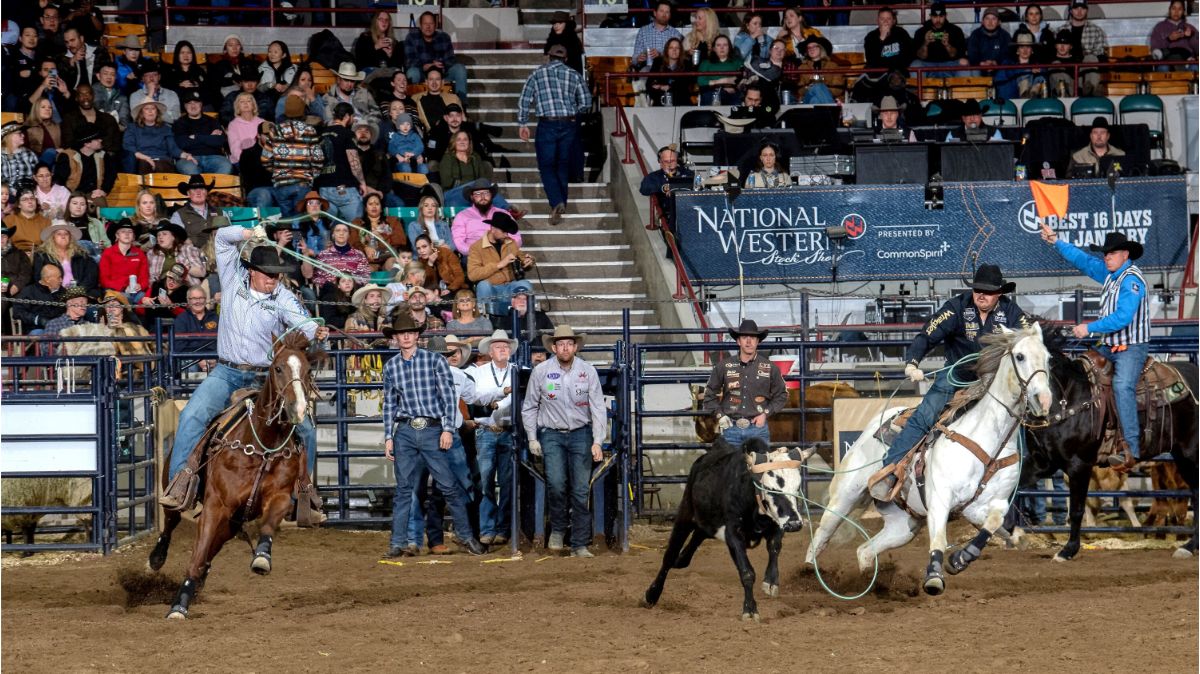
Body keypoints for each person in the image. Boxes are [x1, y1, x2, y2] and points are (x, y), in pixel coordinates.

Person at [160, 224, 330, 510]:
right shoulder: (232, 279)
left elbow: (304, 323)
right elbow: (222, 238)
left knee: (306, 429)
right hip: (227, 373)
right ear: (252, 271)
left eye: (277, 275)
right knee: (192, 415)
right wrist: (249, 233)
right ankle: (181, 482)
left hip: (266, 378)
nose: (274, 280)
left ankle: (302, 491)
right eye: (269, 274)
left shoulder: (283, 297)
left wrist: (317, 332)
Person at [868, 265, 1031, 500]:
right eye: (977, 290)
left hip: (994, 382)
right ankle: (890, 470)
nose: (981, 295)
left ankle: (1017, 491)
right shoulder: (957, 307)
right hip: (956, 376)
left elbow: (1030, 338)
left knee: (1018, 424)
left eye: (988, 291)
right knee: (926, 413)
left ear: (999, 293)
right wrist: (913, 361)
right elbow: (928, 334)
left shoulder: (1012, 312)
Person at [1039, 227, 1148, 468]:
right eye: (1105, 253)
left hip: (1132, 347)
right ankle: (1094, 435)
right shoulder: (1111, 274)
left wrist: (1089, 328)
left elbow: (1123, 317)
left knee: (1122, 385)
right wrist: (1057, 241)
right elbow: (1084, 261)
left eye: (1111, 253)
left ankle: (1131, 447)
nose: (1106, 257)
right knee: (1081, 373)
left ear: (1125, 254)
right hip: (1109, 345)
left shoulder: (1131, 280)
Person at [380, 311, 484, 557]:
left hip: (431, 428)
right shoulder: (391, 366)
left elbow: (449, 397)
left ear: (416, 336)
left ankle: (466, 536)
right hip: (405, 429)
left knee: (448, 485)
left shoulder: (434, 361)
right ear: (396, 337)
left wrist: (447, 428)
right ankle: (397, 543)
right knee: (404, 489)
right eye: (401, 333)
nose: (406, 337)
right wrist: (388, 436)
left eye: (410, 333)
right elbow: (389, 403)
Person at [407, 334, 499, 554]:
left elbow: (476, 396)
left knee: (455, 487)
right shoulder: (416, 375)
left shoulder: (457, 375)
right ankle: (415, 540)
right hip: (426, 433)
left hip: (448, 434)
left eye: (444, 355)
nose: (441, 359)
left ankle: (461, 536)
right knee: (421, 488)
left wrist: (499, 393)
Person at [522, 325, 607, 557]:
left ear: (576, 346)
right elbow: (529, 406)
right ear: (553, 347)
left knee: (580, 489)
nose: (565, 347)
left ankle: (579, 542)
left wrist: (597, 440)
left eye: (569, 343)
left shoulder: (588, 371)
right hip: (551, 433)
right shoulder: (540, 372)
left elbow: (598, 408)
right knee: (557, 484)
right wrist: (532, 437)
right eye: (561, 344)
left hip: (581, 433)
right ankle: (558, 529)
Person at [518, 44, 590, 226]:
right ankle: (561, 203)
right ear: (565, 59)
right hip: (569, 122)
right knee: (562, 164)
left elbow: (525, 99)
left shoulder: (537, 73)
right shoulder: (574, 74)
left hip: (547, 122)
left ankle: (557, 202)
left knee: (547, 165)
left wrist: (523, 123)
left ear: (548, 57)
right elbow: (586, 102)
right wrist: (574, 111)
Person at [465, 328, 519, 546]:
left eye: (505, 346)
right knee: (486, 482)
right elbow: (474, 397)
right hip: (486, 431)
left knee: (507, 483)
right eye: (498, 347)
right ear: (490, 350)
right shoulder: (478, 372)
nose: (503, 349)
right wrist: (502, 395)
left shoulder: (518, 370)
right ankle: (488, 528)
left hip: (509, 431)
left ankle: (502, 528)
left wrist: (497, 401)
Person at [701, 319, 787, 446]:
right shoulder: (723, 366)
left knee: (760, 466)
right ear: (738, 341)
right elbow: (709, 395)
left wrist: (765, 414)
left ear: (758, 341)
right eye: (744, 337)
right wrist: (720, 416)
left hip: (758, 430)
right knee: (732, 466)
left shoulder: (770, 368)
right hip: (730, 429)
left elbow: (782, 395)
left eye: (752, 337)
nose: (748, 341)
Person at [261, 95, 325, 214]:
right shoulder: (309, 131)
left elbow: (265, 159)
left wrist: (278, 171)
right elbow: (318, 158)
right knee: (300, 221)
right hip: (302, 184)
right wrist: (312, 175)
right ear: (302, 112)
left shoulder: (275, 131)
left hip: (281, 184)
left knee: (287, 222)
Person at [315, 102, 375, 223]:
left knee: (331, 230)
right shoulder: (347, 134)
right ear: (347, 116)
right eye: (352, 117)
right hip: (344, 188)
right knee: (356, 227)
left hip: (324, 188)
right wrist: (362, 182)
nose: (353, 120)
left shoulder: (321, 134)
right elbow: (353, 160)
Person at [467, 211, 534, 315]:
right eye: (504, 232)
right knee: (483, 286)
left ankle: (526, 320)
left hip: (509, 288)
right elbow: (473, 275)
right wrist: (499, 265)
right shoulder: (476, 247)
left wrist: (528, 262)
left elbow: (521, 258)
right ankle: (487, 320)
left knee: (525, 284)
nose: (506, 235)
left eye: (507, 232)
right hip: (491, 288)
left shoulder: (510, 242)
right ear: (493, 229)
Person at [404, 12, 469, 103]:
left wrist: (439, 65)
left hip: (441, 74)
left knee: (460, 69)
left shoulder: (444, 37)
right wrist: (426, 66)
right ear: (420, 25)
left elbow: (451, 59)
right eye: (425, 24)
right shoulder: (411, 37)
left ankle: (461, 106)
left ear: (435, 25)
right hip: (422, 74)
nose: (428, 27)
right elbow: (409, 61)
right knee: (412, 72)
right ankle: (412, 106)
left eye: (431, 23)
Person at [123, 100, 195, 174]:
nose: (150, 111)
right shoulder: (132, 128)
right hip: (142, 160)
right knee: (145, 166)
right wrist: (146, 158)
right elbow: (128, 147)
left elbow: (173, 148)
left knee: (163, 167)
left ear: (157, 112)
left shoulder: (166, 128)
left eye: (153, 108)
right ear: (141, 113)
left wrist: (186, 155)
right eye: (147, 109)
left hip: (162, 160)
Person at [31, 219, 98, 297]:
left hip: (80, 294)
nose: (63, 236)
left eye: (66, 234)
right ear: (52, 237)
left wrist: (77, 291)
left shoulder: (81, 255)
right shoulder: (41, 256)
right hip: (52, 295)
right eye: (59, 234)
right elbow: (38, 278)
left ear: (70, 237)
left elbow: (91, 276)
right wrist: (59, 293)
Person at [451, 178, 521, 251]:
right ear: (472, 197)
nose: (482, 197)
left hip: (501, 253)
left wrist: (504, 251)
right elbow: (458, 241)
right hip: (474, 256)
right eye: (477, 194)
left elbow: (516, 237)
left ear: (491, 195)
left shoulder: (503, 213)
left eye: (486, 193)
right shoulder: (462, 216)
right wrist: (474, 253)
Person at [174, 89, 232, 175]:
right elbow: (181, 143)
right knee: (190, 170)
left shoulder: (213, 121)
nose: (193, 106)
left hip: (214, 157)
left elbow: (220, 141)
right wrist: (209, 137)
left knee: (226, 166)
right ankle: (200, 187)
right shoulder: (179, 123)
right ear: (185, 106)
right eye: (189, 103)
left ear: (201, 104)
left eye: (196, 102)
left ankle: (214, 188)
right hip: (189, 158)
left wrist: (196, 137)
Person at [639, 145, 694, 229]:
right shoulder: (654, 177)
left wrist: (675, 190)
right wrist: (664, 188)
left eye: (672, 161)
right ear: (660, 162)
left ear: (677, 161)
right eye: (666, 161)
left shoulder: (688, 174)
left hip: (688, 210)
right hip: (666, 213)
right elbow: (644, 189)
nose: (669, 164)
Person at [60, 84, 121, 157]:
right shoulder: (69, 119)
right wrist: (89, 146)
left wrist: (101, 146)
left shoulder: (108, 119)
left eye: (88, 93)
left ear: (93, 96)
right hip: (79, 159)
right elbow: (68, 143)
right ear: (76, 98)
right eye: (81, 94)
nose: (85, 97)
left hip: (106, 159)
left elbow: (116, 144)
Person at [352, 192, 407, 272]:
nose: (374, 206)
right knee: (364, 269)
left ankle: (395, 284)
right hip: (367, 260)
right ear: (365, 208)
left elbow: (400, 243)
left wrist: (382, 240)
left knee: (393, 263)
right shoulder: (357, 223)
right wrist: (365, 248)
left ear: (381, 208)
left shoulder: (393, 221)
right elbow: (353, 243)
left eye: (377, 204)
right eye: (370, 204)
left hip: (387, 258)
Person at [911, 2, 970, 77]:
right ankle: (919, 89)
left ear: (945, 16)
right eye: (935, 17)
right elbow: (920, 56)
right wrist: (925, 44)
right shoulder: (921, 32)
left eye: (941, 16)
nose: (938, 20)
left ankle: (961, 89)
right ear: (930, 16)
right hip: (928, 65)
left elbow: (958, 55)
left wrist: (947, 45)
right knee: (915, 64)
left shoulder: (955, 30)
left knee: (964, 62)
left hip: (949, 64)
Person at [98, 218, 150, 301]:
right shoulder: (107, 253)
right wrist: (123, 287)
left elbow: (144, 278)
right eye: (123, 231)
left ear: (133, 236)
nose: (127, 234)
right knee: (124, 301)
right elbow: (104, 280)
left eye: (130, 231)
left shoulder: (140, 254)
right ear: (117, 235)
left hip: (136, 293)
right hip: (115, 292)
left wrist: (140, 285)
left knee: (146, 301)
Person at [172, 285, 219, 372]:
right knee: (190, 366)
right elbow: (179, 347)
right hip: (190, 359)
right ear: (188, 300)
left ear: (205, 299)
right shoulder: (181, 319)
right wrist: (198, 359)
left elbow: (222, 343)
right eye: (194, 298)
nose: (198, 301)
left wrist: (213, 358)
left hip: (213, 357)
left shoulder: (215, 318)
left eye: (201, 298)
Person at [146, 220, 206, 287]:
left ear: (173, 237)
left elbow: (202, 272)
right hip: (161, 289)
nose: (160, 237)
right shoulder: (152, 253)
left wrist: (185, 267)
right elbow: (148, 277)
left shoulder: (187, 249)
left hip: (186, 288)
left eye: (164, 234)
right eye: (158, 235)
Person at [1065, 0, 1107, 96]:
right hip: (1069, 69)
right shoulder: (1061, 30)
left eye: (1082, 8)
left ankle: (1091, 90)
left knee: (1090, 58)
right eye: (1076, 8)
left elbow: (1100, 55)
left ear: (1087, 10)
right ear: (1071, 10)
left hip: (1088, 69)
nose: (1079, 12)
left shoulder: (1096, 30)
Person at [320, 62, 380, 129]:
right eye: (346, 80)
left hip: (366, 128)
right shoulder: (328, 98)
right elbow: (327, 121)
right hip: (342, 130)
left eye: (352, 81)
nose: (349, 84)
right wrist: (344, 123)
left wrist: (365, 123)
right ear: (338, 80)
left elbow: (377, 113)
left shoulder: (364, 93)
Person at [14, 263, 67, 334]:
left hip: (60, 328)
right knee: (38, 333)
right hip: (37, 328)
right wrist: (37, 319)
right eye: (59, 277)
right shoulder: (29, 291)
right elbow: (18, 312)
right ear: (47, 279)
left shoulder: (64, 292)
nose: (61, 280)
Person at [632, 1, 684, 72]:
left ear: (670, 15)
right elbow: (634, 59)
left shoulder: (675, 34)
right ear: (655, 13)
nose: (664, 14)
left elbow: (679, 59)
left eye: (667, 12)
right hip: (648, 69)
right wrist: (638, 59)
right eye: (661, 11)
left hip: (668, 70)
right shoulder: (643, 31)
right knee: (641, 78)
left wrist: (661, 56)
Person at [162, 40, 213, 110]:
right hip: (178, 105)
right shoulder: (169, 72)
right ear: (177, 55)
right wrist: (180, 86)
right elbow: (166, 91)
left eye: (189, 53)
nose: (186, 56)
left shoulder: (199, 71)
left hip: (198, 104)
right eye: (182, 53)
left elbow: (208, 91)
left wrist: (197, 86)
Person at [996, 32, 1046, 100]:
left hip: (1033, 101)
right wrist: (1028, 70)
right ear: (1017, 50)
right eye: (1022, 47)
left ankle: (1032, 96)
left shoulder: (1037, 64)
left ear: (1032, 50)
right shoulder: (1007, 63)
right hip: (1011, 100)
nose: (1025, 50)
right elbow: (999, 78)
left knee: (1040, 77)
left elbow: (1045, 73)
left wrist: (1039, 70)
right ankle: (1025, 95)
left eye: (1028, 47)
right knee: (1024, 77)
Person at [795, 35, 844, 104]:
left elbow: (838, 89)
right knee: (817, 87)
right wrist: (809, 87)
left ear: (821, 48)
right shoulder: (802, 68)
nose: (811, 49)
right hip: (807, 97)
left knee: (815, 99)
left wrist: (822, 89)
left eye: (814, 46)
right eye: (809, 47)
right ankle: (833, 111)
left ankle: (828, 111)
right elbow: (799, 90)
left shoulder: (833, 66)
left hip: (821, 98)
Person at [411, 67, 462, 132]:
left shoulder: (453, 98)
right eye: (431, 79)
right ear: (426, 82)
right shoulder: (415, 98)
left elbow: (462, 120)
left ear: (442, 82)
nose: (434, 82)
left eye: (437, 79)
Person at [406, 186, 455, 253]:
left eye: (433, 205)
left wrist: (438, 248)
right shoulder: (413, 226)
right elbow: (416, 248)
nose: (430, 208)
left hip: (443, 256)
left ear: (436, 209)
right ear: (421, 208)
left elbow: (452, 246)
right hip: (423, 259)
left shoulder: (443, 224)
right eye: (426, 205)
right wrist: (439, 247)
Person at [698, 35, 743, 106]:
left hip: (732, 94)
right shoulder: (706, 63)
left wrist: (733, 84)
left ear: (729, 47)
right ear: (714, 48)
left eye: (725, 45)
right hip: (711, 93)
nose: (722, 48)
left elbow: (742, 78)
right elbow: (701, 81)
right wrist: (722, 82)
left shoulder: (737, 62)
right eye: (718, 45)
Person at [1150, 0, 1198, 67]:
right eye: (1174, 8)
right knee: (1163, 68)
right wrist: (1169, 39)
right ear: (1169, 10)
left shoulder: (1190, 28)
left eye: (1180, 9)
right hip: (1166, 61)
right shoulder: (1159, 27)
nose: (1176, 12)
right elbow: (1155, 51)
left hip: (1186, 61)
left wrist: (1191, 37)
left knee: (1194, 67)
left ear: (1183, 12)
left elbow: (1198, 50)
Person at [209, 34, 257, 99]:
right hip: (227, 100)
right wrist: (232, 80)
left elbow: (255, 81)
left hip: (248, 98)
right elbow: (214, 87)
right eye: (230, 45)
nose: (234, 48)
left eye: (237, 45)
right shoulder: (219, 65)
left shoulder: (249, 63)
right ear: (225, 49)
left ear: (241, 47)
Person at [647, 38, 691, 107]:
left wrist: (667, 87)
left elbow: (684, 85)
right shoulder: (658, 62)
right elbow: (649, 84)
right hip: (660, 102)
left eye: (677, 48)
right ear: (666, 50)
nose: (674, 50)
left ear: (681, 51)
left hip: (681, 103)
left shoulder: (687, 63)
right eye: (671, 48)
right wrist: (662, 88)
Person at [3, 188, 50, 253]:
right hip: (14, 256)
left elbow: (48, 246)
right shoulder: (9, 220)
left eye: (32, 198)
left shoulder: (46, 222)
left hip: (38, 256)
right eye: (25, 199)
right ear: (19, 205)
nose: (30, 201)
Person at [226, 92, 264, 166]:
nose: (245, 103)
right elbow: (234, 148)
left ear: (253, 105)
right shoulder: (233, 125)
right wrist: (247, 160)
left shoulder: (262, 122)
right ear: (238, 106)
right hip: (241, 160)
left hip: (261, 159)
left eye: (249, 101)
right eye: (242, 101)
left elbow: (267, 144)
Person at [24, 97, 62, 166]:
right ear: (36, 109)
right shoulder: (28, 127)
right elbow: (25, 150)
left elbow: (63, 145)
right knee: (50, 151)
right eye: (43, 107)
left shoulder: (56, 126)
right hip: (36, 162)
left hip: (56, 159)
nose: (48, 109)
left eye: (50, 107)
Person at [257, 40, 296, 106]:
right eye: (270, 51)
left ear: (283, 55)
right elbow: (258, 88)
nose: (272, 54)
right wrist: (272, 85)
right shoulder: (262, 68)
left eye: (275, 52)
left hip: (288, 99)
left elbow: (299, 86)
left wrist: (287, 86)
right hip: (268, 100)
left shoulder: (293, 69)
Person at [2, 122, 39, 187]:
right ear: (9, 136)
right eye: (19, 133)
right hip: (7, 194)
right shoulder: (1, 156)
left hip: (29, 192)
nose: (23, 135)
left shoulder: (29, 154)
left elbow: (37, 175)